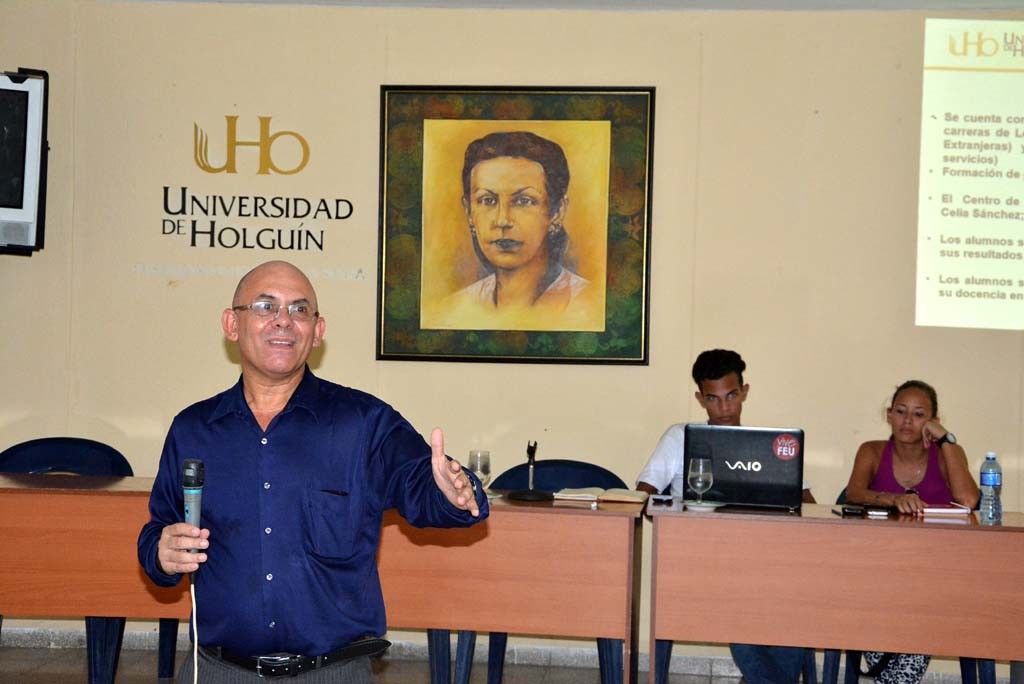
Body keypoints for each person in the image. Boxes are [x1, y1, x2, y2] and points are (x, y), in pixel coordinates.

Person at [137, 260, 488, 683]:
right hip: (218, 670)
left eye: (300, 311)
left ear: (318, 332)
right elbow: (159, 527)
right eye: (266, 307)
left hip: (334, 672)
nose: (283, 322)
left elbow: (419, 482)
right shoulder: (193, 429)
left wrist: (451, 490)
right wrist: (161, 552)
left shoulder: (363, 422)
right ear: (233, 324)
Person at [637, 349, 815, 684]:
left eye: (731, 396)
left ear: (744, 391)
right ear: (700, 398)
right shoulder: (680, 437)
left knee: (792, 603)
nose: (724, 408)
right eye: (713, 399)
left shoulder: (766, 447)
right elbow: (644, 496)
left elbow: (806, 503)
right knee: (746, 608)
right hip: (697, 559)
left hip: (760, 561)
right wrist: (681, 514)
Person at [843, 379, 979, 684]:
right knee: (879, 607)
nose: (908, 421)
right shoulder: (872, 451)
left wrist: (946, 442)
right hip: (880, 571)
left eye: (919, 415)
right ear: (889, 415)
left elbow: (970, 501)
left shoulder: (948, 455)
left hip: (935, 574)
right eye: (901, 411)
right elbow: (854, 493)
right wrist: (894, 499)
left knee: (921, 613)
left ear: (933, 422)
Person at [436, 130, 595, 329]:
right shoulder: (453, 311)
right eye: (488, 200)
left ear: (557, 212)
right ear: (469, 212)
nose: (503, 220)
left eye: (523, 201)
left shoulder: (589, 307)